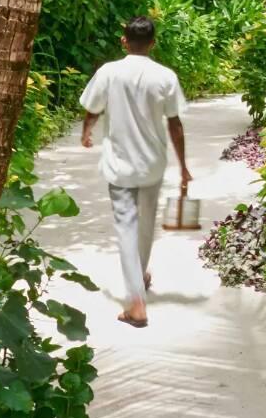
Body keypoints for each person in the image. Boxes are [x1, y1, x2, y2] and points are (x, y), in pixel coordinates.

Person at [79, 16, 191, 328]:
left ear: (124, 41)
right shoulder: (164, 76)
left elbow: (93, 107)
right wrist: (184, 166)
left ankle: (136, 301)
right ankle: (139, 278)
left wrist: (87, 131)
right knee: (144, 225)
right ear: (153, 43)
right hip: (152, 163)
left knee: (126, 227)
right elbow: (175, 124)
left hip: (120, 164)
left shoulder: (109, 72)